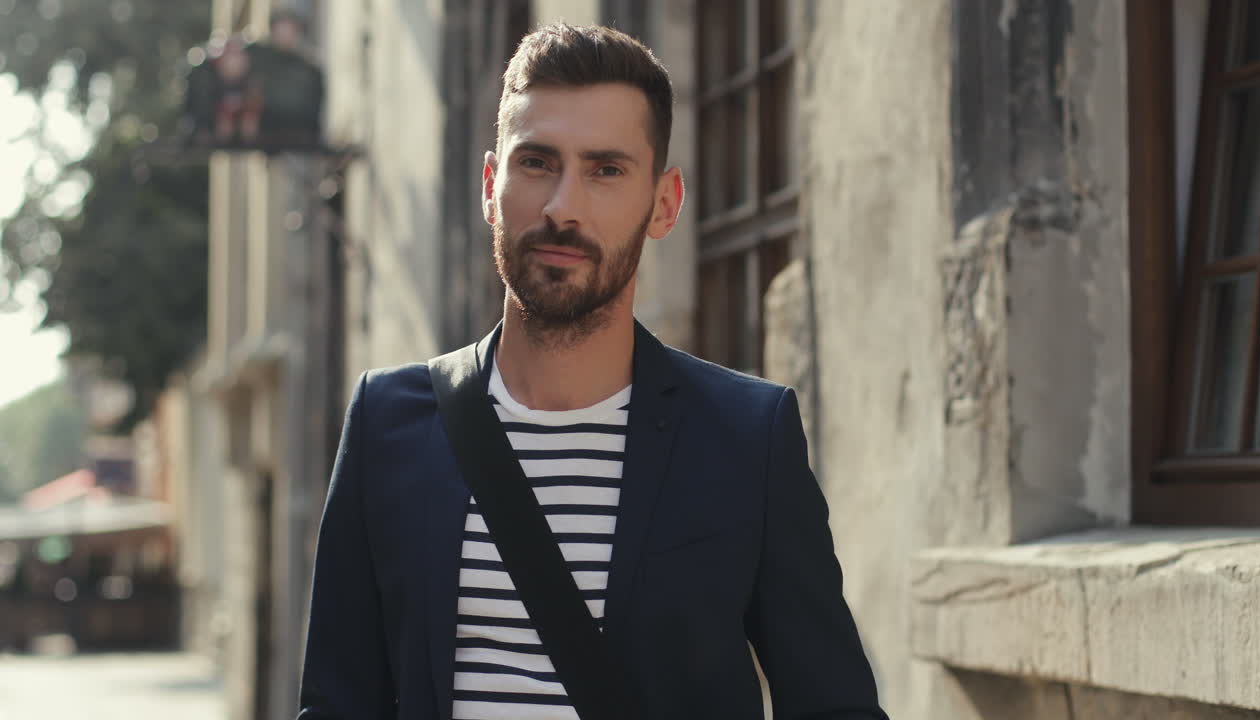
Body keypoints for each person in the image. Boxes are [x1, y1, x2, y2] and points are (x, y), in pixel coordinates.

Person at [298, 23, 888, 720]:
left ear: (663, 204)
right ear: (492, 185)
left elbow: (835, 706)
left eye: (606, 170)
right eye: (538, 163)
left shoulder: (747, 437)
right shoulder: (387, 422)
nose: (562, 207)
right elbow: (337, 703)